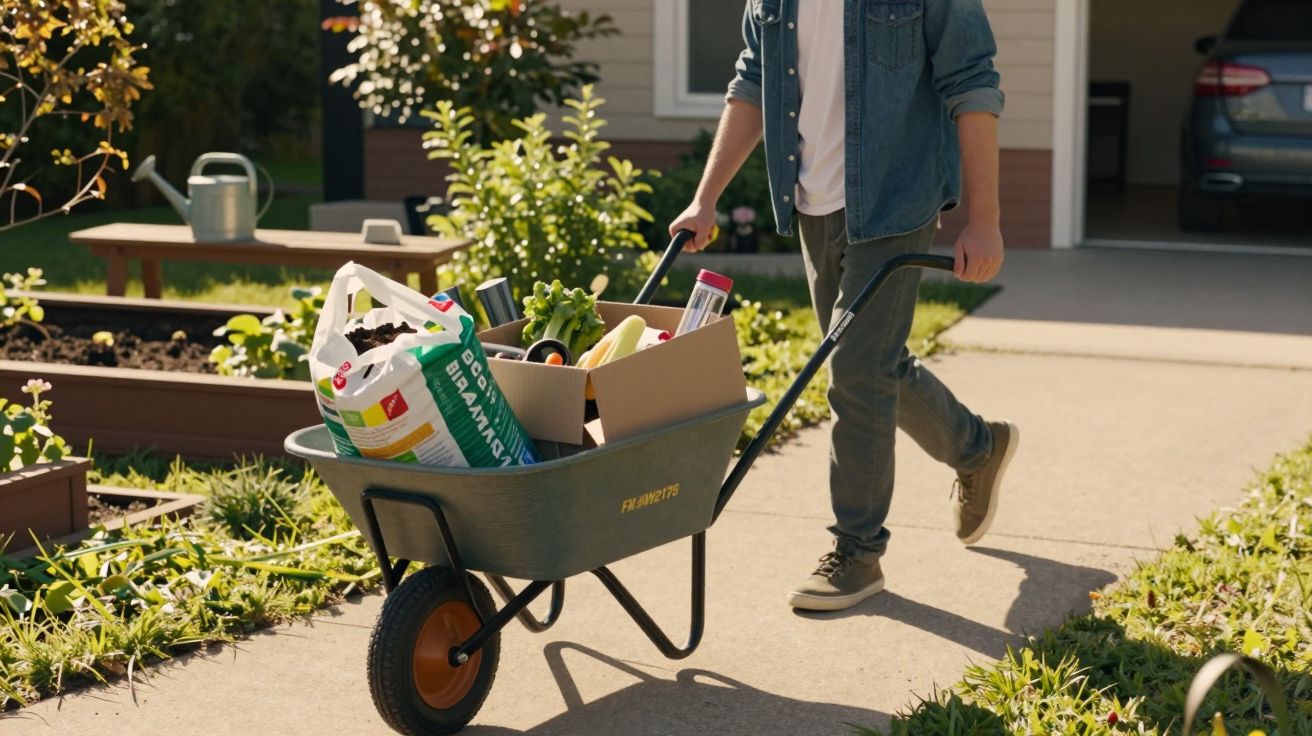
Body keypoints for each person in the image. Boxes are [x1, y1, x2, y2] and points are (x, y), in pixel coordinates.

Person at [670, 0, 1019, 612]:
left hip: (895, 199)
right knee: (870, 360)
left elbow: (972, 81)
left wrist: (984, 220)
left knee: (856, 368)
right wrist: (705, 199)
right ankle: (977, 447)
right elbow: (754, 80)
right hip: (812, 200)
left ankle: (857, 551)